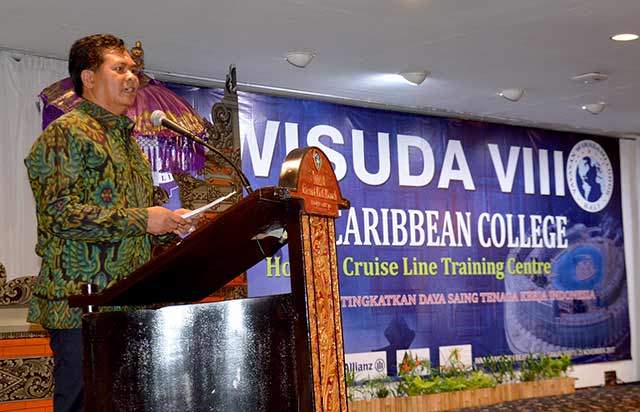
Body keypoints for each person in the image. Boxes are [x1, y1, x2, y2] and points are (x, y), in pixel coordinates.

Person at [24, 34, 193, 412]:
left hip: (130, 302)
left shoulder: (129, 145)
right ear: (88, 77)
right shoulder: (65, 133)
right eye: (119, 69)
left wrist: (172, 227)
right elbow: (59, 215)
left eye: (133, 70)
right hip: (81, 306)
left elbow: (138, 227)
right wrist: (143, 219)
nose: (132, 77)